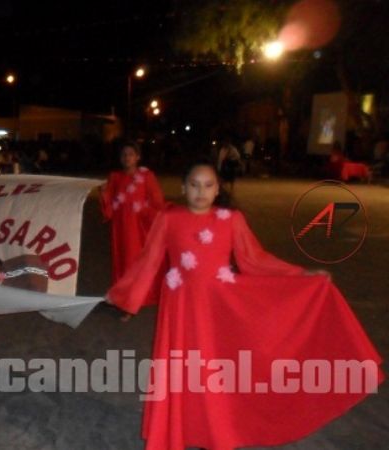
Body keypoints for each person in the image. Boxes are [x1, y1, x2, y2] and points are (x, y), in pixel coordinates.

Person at [105, 160, 384, 450]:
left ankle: (213, 432)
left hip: (218, 308)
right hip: (181, 308)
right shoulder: (169, 218)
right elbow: (148, 262)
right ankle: (181, 429)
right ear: (183, 188)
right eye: (195, 185)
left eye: (209, 185)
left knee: (214, 370)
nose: (201, 191)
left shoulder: (230, 219)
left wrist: (301, 275)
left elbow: (254, 259)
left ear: (217, 190)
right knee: (184, 370)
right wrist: (122, 293)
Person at [99, 142, 166, 294]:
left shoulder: (146, 176)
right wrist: (104, 193)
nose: (127, 157)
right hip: (120, 228)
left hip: (138, 228)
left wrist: (144, 211)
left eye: (130, 154)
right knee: (122, 262)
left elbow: (157, 202)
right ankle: (123, 295)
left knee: (134, 262)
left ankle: (133, 298)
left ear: (138, 157)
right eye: (124, 154)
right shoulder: (115, 177)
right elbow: (109, 209)